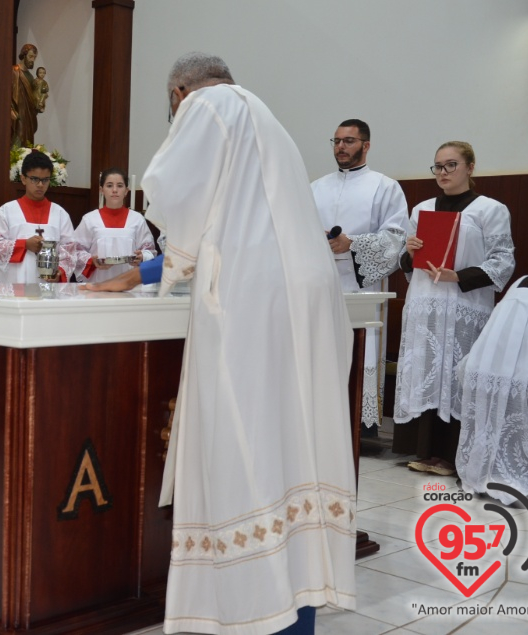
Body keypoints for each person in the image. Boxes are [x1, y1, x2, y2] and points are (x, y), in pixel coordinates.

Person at [84, 52, 356, 635]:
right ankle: (297, 606)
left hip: (253, 297)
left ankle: (252, 609)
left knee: (244, 442)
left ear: (179, 92)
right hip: (307, 294)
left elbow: (174, 195)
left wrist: (156, 265)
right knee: (295, 441)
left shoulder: (207, 106)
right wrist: (153, 271)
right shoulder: (266, 116)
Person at [393, 141, 515, 476]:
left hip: (464, 306)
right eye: (438, 167)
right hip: (425, 307)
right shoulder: (422, 209)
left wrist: (457, 275)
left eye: (451, 165)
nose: (443, 173)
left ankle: (451, 456)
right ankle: (424, 451)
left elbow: (503, 262)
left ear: (470, 168)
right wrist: (410, 250)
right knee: (426, 374)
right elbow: (405, 263)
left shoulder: (490, 210)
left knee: (458, 377)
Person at [312, 119, 407, 432]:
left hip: (361, 285)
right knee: (319, 350)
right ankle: (317, 422)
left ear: (366, 145)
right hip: (320, 281)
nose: (341, 147)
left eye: (349, 141)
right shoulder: (316, 187)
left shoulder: (384, 186)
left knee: (360, 351)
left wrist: (350, 243)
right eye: (337, 141)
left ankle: (357, 427)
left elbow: (396, 237)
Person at [455, 246, 528, 504]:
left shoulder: (523, 281)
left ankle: (478, 472)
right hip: (526, 375)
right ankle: (520, 479)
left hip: (481, 368)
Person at [0, 150, 74, 284]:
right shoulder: (7, 211)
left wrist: (60, 271)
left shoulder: (60, 214)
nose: (40, 185)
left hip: (48, 290)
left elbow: (70, 251)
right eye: (34, 179)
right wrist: (24, 244)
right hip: (14, 287)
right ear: (23, 179)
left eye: (45, 180)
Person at [73, 169, 157, 284]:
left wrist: (142, 257)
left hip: (130, 286)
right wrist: (91, 261)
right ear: (101, 190)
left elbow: (150, 251)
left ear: (126, 191)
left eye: (120, 186)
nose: (114, 190)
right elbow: (75, 251)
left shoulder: (137, 219)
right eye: (109, 185)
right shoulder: (90, 219)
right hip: (97, 285)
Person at [11, 43, 41, 147]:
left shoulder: (31, 77)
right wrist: (10, 110)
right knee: (17, 143)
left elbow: (32, 98)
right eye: (31, 56)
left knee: (27, 145)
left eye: (34, 57)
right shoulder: (14, 72)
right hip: (18, 115)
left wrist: (39, 105)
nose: (33, 60)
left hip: (29, 117)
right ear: (24, 55)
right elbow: (7, 94)